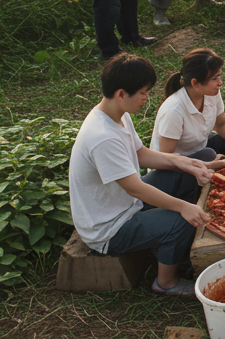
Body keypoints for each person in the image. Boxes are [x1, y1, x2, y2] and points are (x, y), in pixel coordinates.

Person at [69, 54, 212, 297]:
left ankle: (172, 242)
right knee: (182, 218)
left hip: (125, 204)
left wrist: (189, 163)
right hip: (109, 226)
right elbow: (134, 188)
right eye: (143, 93)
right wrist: (183, 207)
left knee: (189, 171)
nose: (147, 99)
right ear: (121, 94)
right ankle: (166, 282)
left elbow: (142, 154)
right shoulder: (102, 136)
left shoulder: (118, 115)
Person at [145, 48, 225, 199]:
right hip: (172, 165)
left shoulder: (210, 93)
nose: (220, 83)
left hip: (197, 147)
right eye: (215, 78)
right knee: (208, 155)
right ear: (195, 83)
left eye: (219, 76)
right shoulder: (174, 110)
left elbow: (221, 123)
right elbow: (167, 158)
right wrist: (206, 165)